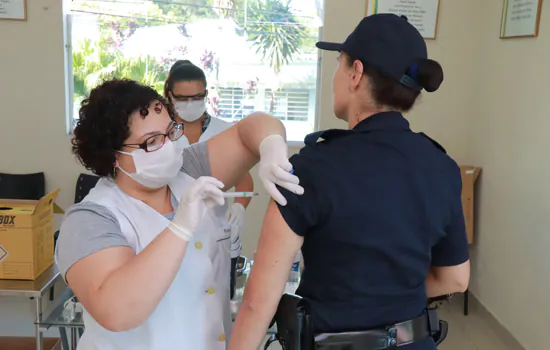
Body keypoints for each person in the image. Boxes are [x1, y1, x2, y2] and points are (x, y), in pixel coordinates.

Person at [229, 14, 470, 350]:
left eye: (340, 64)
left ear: (355, 73)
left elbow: (258, 302)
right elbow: (455, 278)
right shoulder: (442, 167)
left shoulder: (311, 167)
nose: (335, 76)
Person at [55, 78, 303, 350]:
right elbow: (118, 311)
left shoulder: (189, 169)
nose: (169, 146)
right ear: (113, 156)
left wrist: (271, 146)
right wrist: (180, 227)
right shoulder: (90, 220)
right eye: (151, 142)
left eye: (171, 131)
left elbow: (253, 128)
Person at [163, 60, 253, 311]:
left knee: (213, 314)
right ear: (169, 94)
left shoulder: (224, 132)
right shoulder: (159, 134)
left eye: (197, 96)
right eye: (183, 97)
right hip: (168, 232)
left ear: (206, 93)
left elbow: (244, 179)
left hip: (215, 236)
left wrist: (240, 210)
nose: (191, 103)